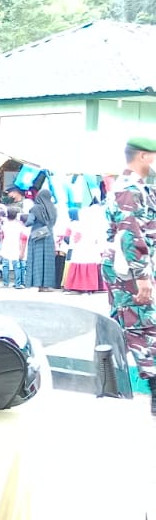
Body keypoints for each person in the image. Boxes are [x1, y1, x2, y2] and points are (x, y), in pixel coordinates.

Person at [105, 138, 156, 414]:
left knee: (129, 326)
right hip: (131, 273)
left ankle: (109, 386)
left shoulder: (142, 189)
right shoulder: (129, 190)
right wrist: (142, 277)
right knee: (142, 328)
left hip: (135, 271)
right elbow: (129, 234)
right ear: (144, 157)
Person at [21, 179, 59, 291]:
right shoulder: (53, 209)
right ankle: (46, 286)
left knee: (37, 260)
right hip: (49, 235)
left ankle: (36, 283)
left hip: (37, 235)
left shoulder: (35, 208)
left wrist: (23, 219)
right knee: (48, 261)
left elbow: (30, 222)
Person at [62, 206, 108, 294]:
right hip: (88, 251)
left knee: (81, 266)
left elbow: (72, 238)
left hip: (81, 251)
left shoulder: (79, 225)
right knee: (89, 266)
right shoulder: (93, 226)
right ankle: (89, 288)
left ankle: (80, 287)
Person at [0, 206, 27, 289]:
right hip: (16, 246)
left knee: (5, 265)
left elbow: (2, 236)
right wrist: (22, 251)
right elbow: (22, 237)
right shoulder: (19, 226)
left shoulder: (4, 225)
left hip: (6, 245)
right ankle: (17, 284)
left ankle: (5, 283)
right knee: (16, 265)